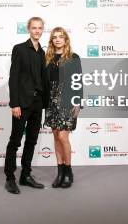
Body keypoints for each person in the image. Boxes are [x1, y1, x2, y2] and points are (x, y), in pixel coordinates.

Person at [4, 17, 50, 194]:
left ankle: (26, 175)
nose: (37, 31)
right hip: (22, 104)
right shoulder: (19, 49)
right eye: (34, 28)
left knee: (31, 141)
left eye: (40, 28)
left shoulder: (42, 52)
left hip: (38, 104)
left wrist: (45, 103)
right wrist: (14, 103)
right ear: (28, 29)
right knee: (15, 141)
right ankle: (10, 178)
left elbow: (42, 79)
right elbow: (13, 77)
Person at [44, 27, 83, 188]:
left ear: (66, 39)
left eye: (61, 37)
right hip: (51, 101)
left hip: (68, 99)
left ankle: (68, 171)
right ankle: (60, 172)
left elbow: (78, 80)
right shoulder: (48, 58)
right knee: (55, 136)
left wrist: (78, 101)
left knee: (63, 137)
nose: (58, 39)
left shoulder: (74, 57)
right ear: (52, 41)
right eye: (55, 37)